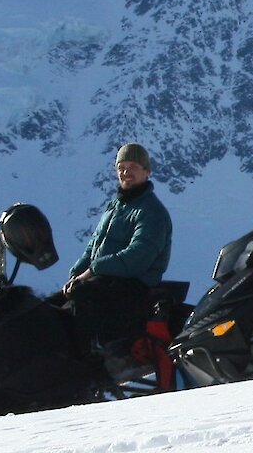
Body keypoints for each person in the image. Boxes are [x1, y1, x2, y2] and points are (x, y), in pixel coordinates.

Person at [61, 142, 174, 350]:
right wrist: (76, 274)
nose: (125, 172)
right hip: (105, 279)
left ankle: (87, 361)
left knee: (83, 298)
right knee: (55, 304)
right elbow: (94, 246)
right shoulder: (115, 207)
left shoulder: (152, 212)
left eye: (132, 167)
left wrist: (92, 270)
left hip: (134, 286)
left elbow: (137, 258)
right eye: (121, 167)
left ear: (146, 171)